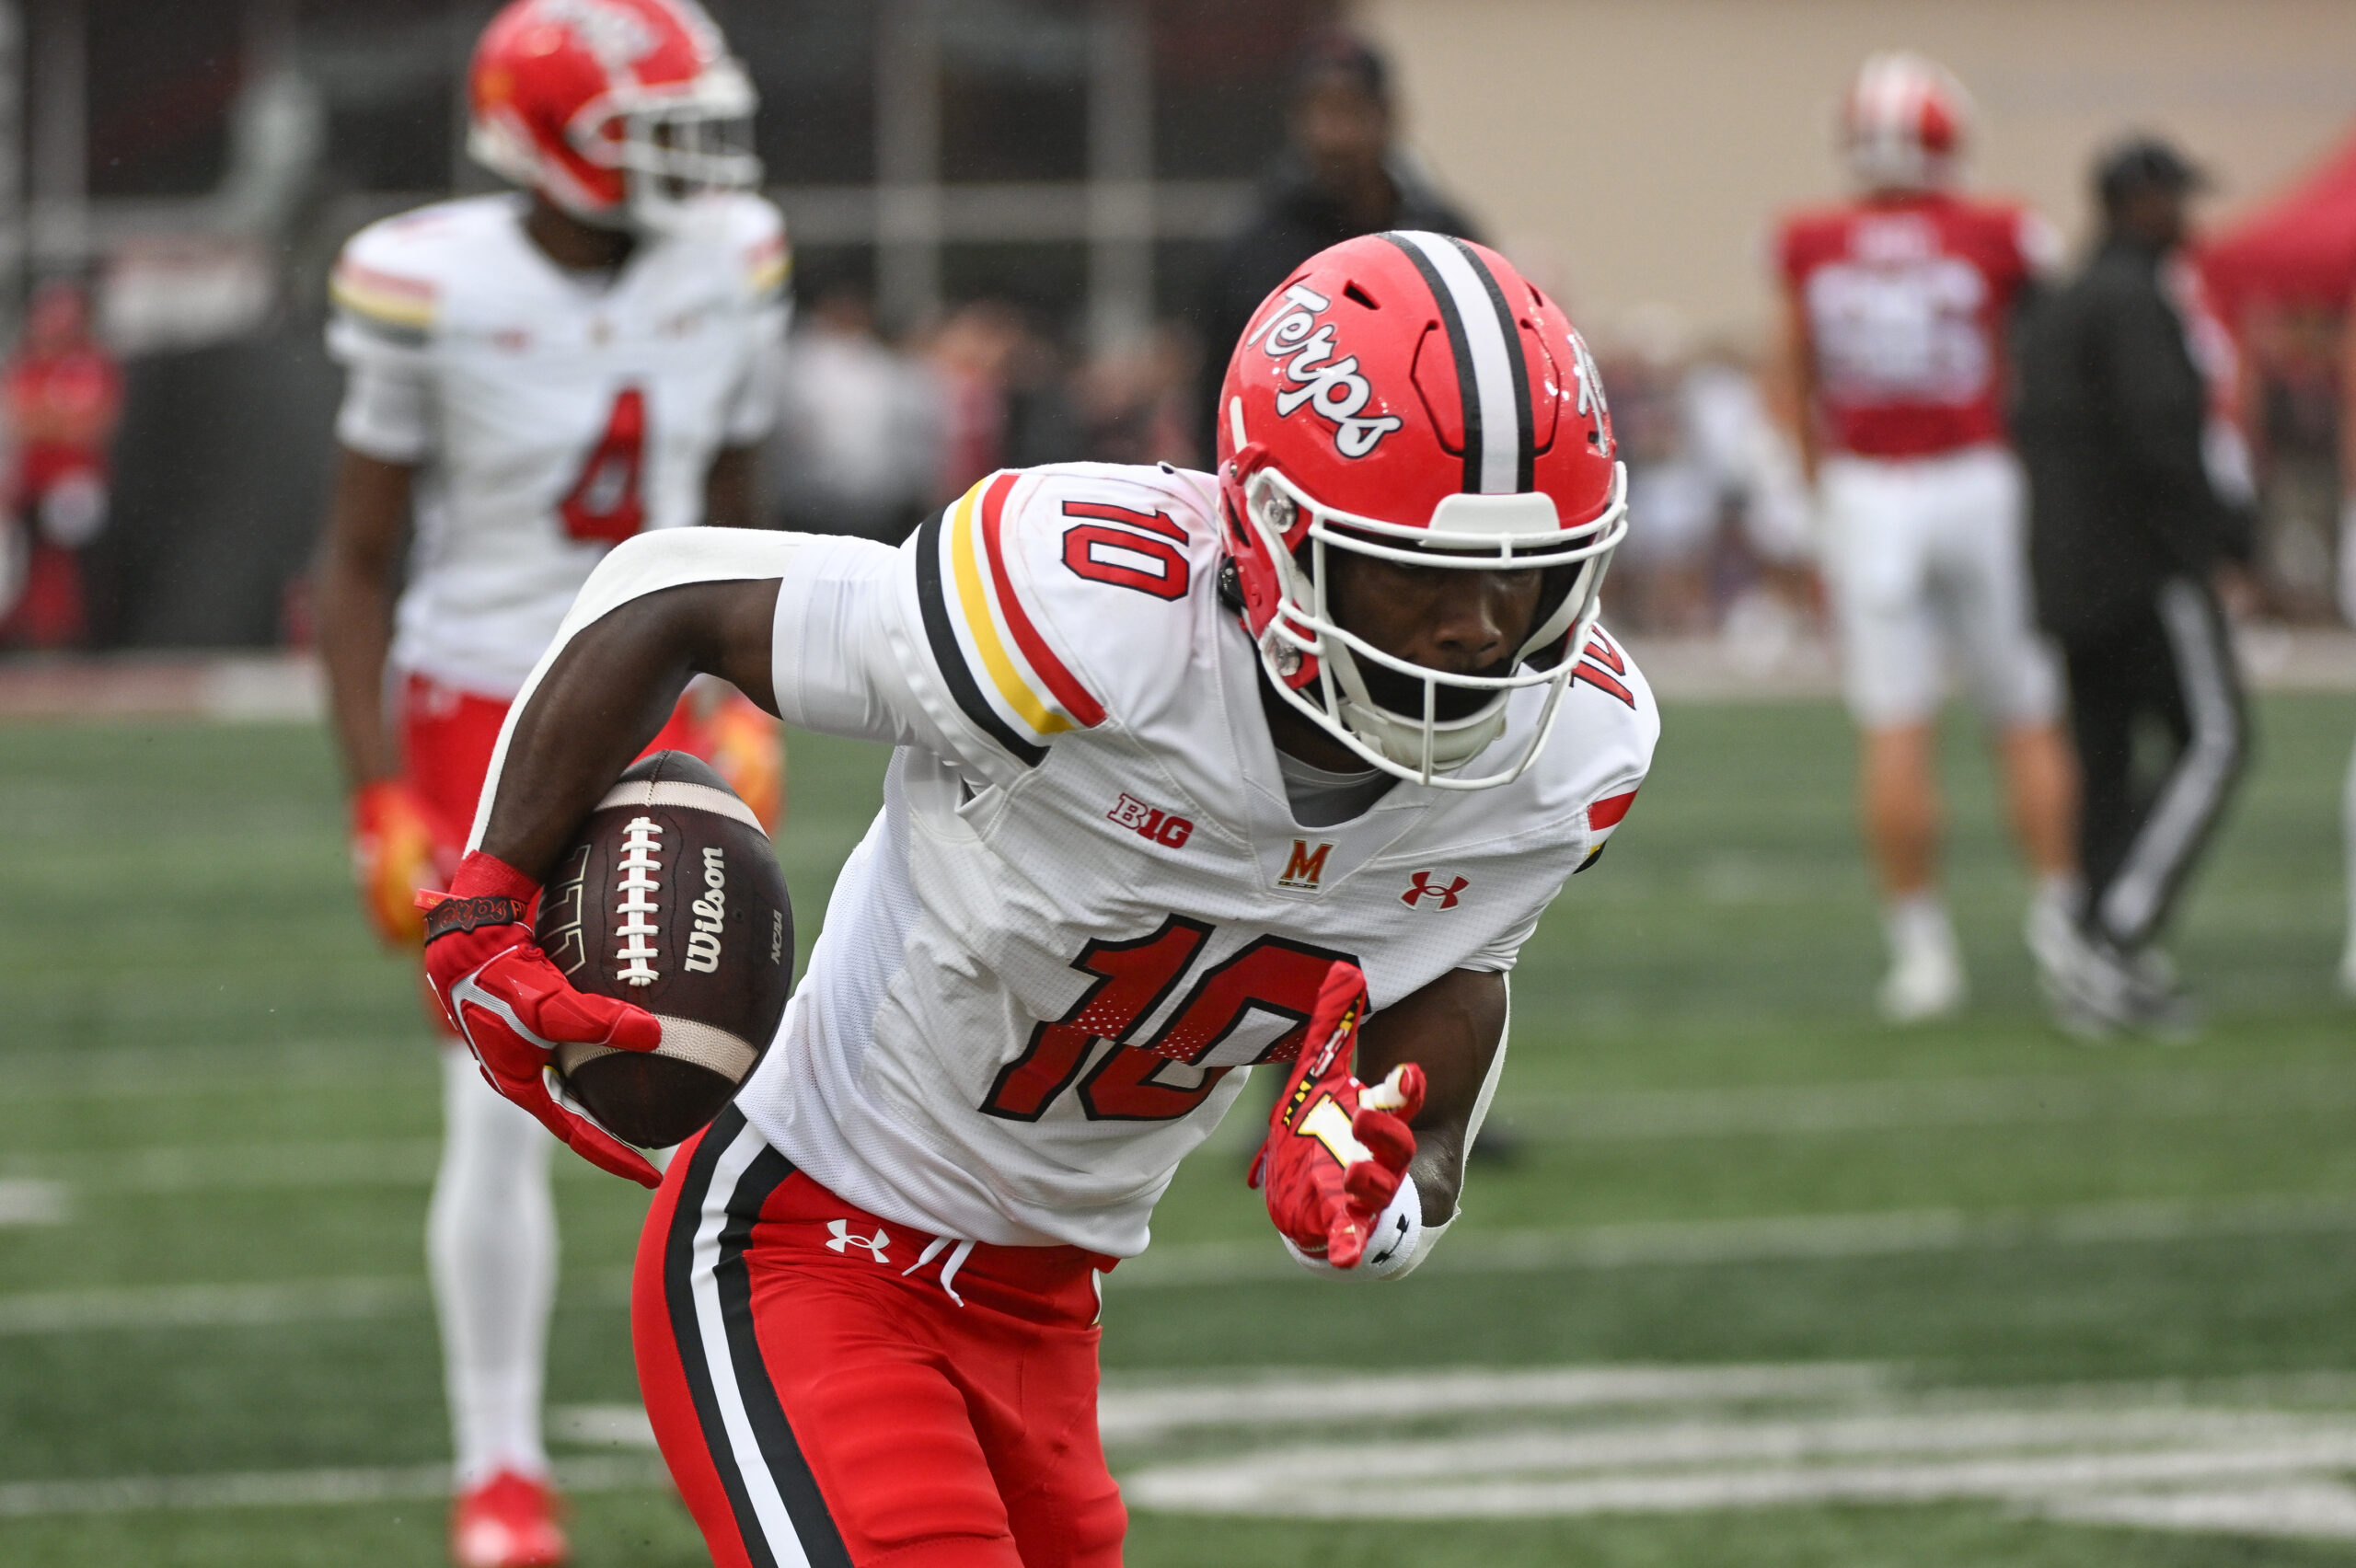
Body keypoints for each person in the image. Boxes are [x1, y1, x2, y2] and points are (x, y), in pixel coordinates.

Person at [418, 232, 1654, 1567]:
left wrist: (1390, 1175)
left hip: (1048, 1320)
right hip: (808, 1249)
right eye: (1422, 568)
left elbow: (1455, 973)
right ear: (1280, 533)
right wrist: (487, 893)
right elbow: (668, 595)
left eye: (1526, 570)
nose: (1480, 628)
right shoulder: (1087, 611)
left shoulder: (1568, 756)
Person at [311, 2, 788, 1562]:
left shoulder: (731, 259)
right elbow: (359, 562)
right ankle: (501, 1468)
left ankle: (778, 1418)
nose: (693, 160)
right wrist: (378, 790)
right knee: (496, 1098)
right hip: (479, 709)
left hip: (653, 697)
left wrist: (741, 699)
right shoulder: (426, 279)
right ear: (546, 134)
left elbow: (731, 508)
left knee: (749, 1063)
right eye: (654, 127)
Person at [1772, 52, 2080, 1023]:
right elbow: (2048, 357)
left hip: (1871, 492)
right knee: (2022, 713)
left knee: (1897, 726)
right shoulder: (1999, 231)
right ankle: (2063, 926)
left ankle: (1921, 954)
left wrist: (1817, 498)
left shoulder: (1811, 241)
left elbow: (1788, 376)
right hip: (1976, 480)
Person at [2015, 136, 2255, 1035]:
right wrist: (2227, 539)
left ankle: (2089, 934)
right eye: (2174, 199)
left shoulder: (2060, 303)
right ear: (2137, 200)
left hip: (2067, 573)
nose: (2186, 217)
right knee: (2216, 740)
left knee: (2105, 765)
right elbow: (2162, 433)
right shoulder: (2134, 301)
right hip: (2143, 567)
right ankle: (2114, 934)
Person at [1194, 30, 1481, 457]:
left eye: (1350, 111)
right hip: (1295, 474)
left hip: (1426, 462)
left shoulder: (1441, 235)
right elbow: (1218, 397)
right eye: (1320, 112)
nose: (1334, 134)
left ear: (1385, 116)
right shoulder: (1253, 249)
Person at [0, 279, 122, 649]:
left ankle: (68, 633)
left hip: (75, 486)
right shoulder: (25, 364)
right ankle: (22, 629)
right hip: (25, 486)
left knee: (63, 526)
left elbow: (91, 424)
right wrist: (49, 418)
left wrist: (38, 419)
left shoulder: (89, 363)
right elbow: (14, 419)